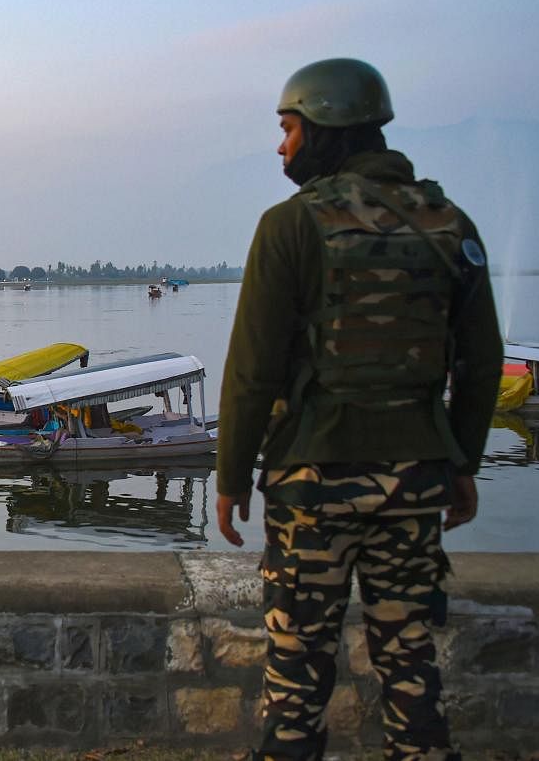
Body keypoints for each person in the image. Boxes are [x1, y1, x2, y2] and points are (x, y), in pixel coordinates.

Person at [216, 58, 503, 761]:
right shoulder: (448, 222)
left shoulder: (289, 226)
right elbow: (482, 362)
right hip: (414, 485)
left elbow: (253, 368)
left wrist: (229, 477)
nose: (283, 146)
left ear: (326, 124)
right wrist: (460, 460)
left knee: (298, 664)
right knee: (410, 661)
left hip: (313, 483)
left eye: (289, 129)